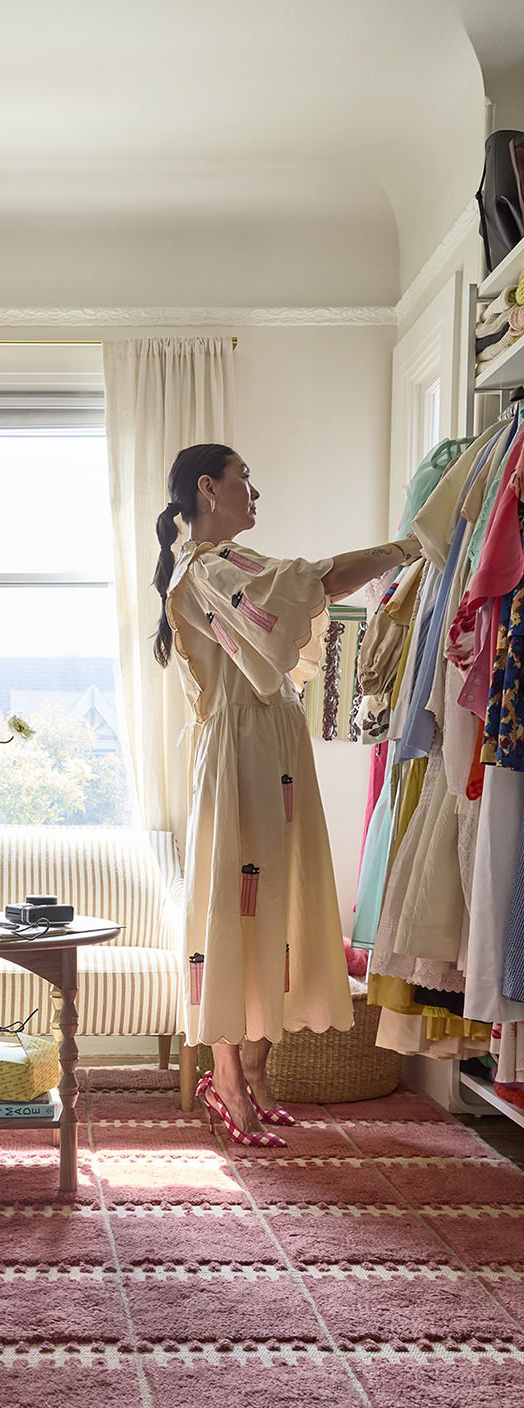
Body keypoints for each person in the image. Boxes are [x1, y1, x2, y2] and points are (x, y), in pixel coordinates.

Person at [154, 443, 421, 1146]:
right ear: (208, 489)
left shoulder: (222, 568)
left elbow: (294, 596)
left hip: (271, 743)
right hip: (241, 751)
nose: (256, 494)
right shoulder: (207, 568)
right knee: (233, 913)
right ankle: (230, 1082)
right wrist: (406, 547)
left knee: (283, 905)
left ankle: (255, 1070)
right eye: (246, 480)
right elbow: (310, 581)